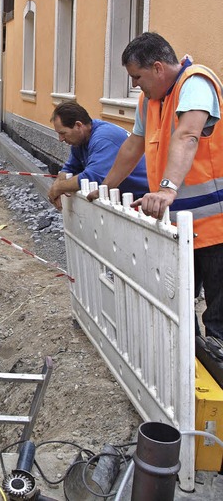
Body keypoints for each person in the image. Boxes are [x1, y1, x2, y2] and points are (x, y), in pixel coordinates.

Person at [90, 31, 223, 339]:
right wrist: (106, 186)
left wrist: (166, 189)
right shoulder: (149, 101)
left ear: (159, 68)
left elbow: (189, 134)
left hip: (216, 222)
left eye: (137, 76)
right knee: (181, 300)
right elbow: (132, 147)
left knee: (218, 305)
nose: (134, 84)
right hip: (179, 223)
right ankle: (194, 357)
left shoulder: (196, 84)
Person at [47, 101, 148, 210]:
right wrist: (57, 186)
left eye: (63, 133)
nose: (60, 139)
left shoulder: (103, 138)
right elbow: (70, 168)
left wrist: (59, 188)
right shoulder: (81, 139)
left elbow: (93, 177)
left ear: (78, 125)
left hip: (145, 199)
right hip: (127, 200)